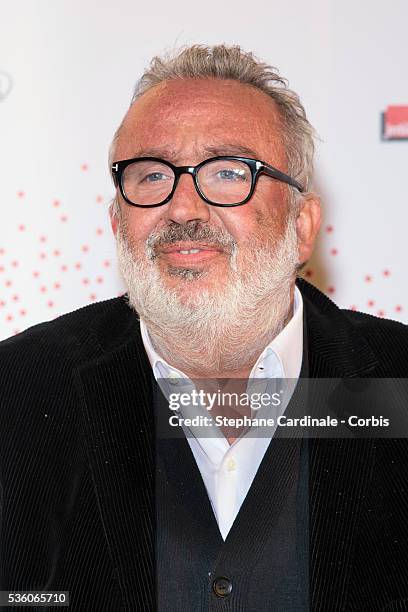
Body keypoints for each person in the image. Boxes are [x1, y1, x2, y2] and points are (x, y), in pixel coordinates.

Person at [1, 44, 407, 611]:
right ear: (117, 220)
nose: (184, 208)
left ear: (302, 224)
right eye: (149, 176)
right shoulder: (18, 389)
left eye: (227, 172)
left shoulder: (399, 380)